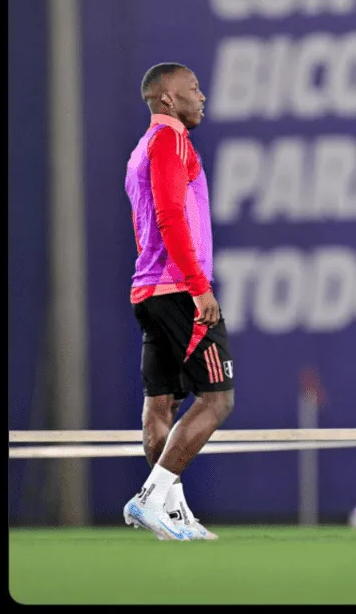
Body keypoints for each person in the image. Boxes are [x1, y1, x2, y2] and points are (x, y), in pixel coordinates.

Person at [123, 63, 234, 541]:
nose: (202, 95)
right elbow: (169, 215)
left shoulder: (139, 151)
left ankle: (173, 514)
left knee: (160, 403)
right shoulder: (169, 141)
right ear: (167, 99)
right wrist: (197, 284)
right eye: (192, 88)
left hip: (148, 289)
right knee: (216, 400)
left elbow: (143, 226)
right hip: (178, 290)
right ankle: (151, 498)